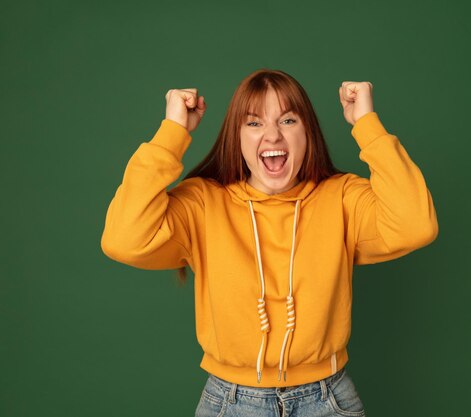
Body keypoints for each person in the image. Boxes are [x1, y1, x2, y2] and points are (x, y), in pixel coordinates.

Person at [101, 68, 439, 417]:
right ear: (237, 137)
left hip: (328, 399)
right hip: (230, 402)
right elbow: (124, 239)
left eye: (288, 120)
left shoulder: (342, 198)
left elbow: (416, 225)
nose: (273, 135)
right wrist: (172, 132)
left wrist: (366, 123)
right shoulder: (203, 203)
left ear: (308, 132)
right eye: (254, 123)